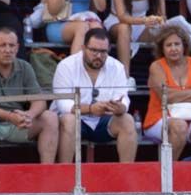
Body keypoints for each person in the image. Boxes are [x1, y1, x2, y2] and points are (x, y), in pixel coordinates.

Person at [0, 28, 62, 163]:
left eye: (11, 45)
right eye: (2, 45)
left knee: (51, 117)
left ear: (17, 48)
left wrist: (29, 115)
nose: (8, 50)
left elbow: (39, 101)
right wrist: (10, 116)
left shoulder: (25, 67)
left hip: (15, 122)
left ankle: (47, 173)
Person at [52, 27, 137, 162]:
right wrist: (91, 109)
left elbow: (123, 97)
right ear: (83, 48)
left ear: (109, 50)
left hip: (103, 120)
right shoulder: (66, 66)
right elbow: (63, 104)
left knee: (127, 120)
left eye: (103, 51)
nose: (98, 55)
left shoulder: (117, 67)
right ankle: (65, 173)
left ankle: (126, 173)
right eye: (93, 50)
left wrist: (120, 107)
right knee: (69, 120)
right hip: (76, 121)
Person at [144, 24, 191, 158]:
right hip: (160, 118)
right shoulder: (156, 66)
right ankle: (168, 173)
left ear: (184, 46)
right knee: (179, 126)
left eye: (177, 44)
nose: (173, 49)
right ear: (162, 48)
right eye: (169, 45)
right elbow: (166, 97)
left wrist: (177, 93)